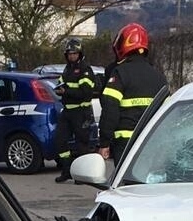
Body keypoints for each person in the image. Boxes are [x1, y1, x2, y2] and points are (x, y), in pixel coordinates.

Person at [99, 23, 168, 166]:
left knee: (126, 185)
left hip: (125, 143)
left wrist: (104, 142)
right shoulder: (159, 76)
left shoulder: (120, 73)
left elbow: (109, 108)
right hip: (151, 142)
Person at [52, 38, 98, 183]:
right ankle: (67, 171)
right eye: (69, 53)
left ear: (79, 53)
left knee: (82, 145)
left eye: (74, 53)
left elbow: (85, 93)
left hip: (81, 112)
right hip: (67, 111)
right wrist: (60, 90)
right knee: (60, 141)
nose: (72, 56)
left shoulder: (85, 70)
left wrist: (66, 91)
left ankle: (81, 175)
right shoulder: (67, 69)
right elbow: (61, 83)